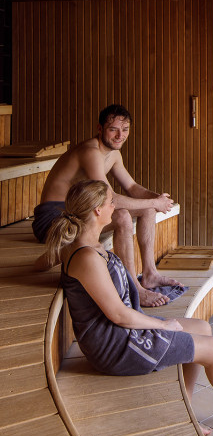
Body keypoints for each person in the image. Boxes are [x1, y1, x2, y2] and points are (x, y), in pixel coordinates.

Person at [44, 179, 213, 433]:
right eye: (111, 202)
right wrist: (163, 324)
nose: (116, 207)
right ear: (97, 211)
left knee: (202, 327)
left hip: (120, 333)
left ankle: (185, 411)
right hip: (115, 345)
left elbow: (49, 259)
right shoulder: (86, 257)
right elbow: (118, 315)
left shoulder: (83, 245)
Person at [33, 104, 180, 307]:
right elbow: (110, 199)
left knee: (147, 208)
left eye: (125, 130)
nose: (120, 135)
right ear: (100, 129)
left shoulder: (113, 154)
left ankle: (150, 274)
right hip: (52, 220)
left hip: (78, 211)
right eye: (113, 129)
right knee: (121, 216)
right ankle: (134, 288)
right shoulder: (90, 152)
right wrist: (155, 202)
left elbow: (131, 186)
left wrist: (157, 199)